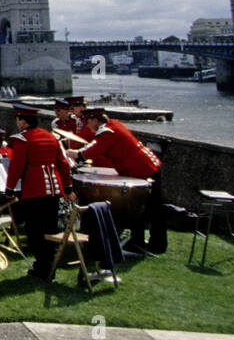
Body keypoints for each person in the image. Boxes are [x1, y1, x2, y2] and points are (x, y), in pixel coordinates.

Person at [69, 108, 166, 254]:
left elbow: (93, 150)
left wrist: (74, 154)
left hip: (143, 168)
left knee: (150, 208)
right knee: (143, 206)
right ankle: (139, 241)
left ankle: (153, 244)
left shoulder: (108, 132)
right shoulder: (113, 125)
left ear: (95, 120)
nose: (87, 126)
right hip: (144, 166)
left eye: (88, 122)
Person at [5, 106, 75, 279]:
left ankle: (42, 267)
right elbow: (63, 164)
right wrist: (67, 188)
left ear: (22, 121)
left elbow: (16, 167)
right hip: (54, 189)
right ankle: (49, 264)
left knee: (34, 230)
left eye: (18, 120)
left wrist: (10, 189)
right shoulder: (51, 137)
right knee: (50, 229)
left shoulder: (22, 139)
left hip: (34, 189)